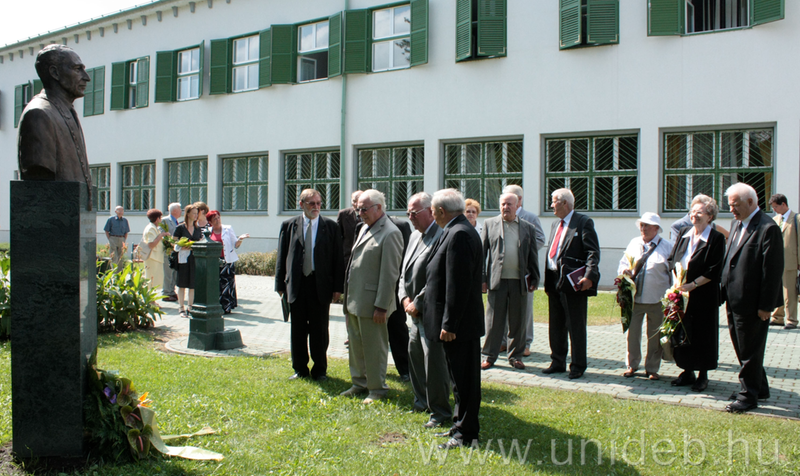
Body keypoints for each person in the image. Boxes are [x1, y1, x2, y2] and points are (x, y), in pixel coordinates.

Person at [425, 189, 484, 450]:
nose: (432, 215)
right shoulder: (454, 229)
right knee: (459, 380)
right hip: (458, 323)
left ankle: (466, 434)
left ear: (440, 211)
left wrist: (449, 324)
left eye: (433, 211)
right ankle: (459, 426)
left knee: (465, 381)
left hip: (460, 325)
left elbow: (458, 285)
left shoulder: (459, 233)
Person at [721, 183, 784, 413]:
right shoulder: (736, 223)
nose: (731, 210)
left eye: (735, 205)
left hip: (753, 302)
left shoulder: (767, 228)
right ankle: (760, 388)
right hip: (734, 298)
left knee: (750, 351)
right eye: (730, 205)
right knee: (742, 347)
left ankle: (748, 396)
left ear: (750, 202)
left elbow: (772, 271)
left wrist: (766, 305)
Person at [341, 189, 403, 404]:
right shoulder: (364, 227)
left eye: (364, 209)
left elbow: (390, 274)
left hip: (374, 304)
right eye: (358, 209)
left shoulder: (391, 232)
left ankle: (377, 389)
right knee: (356, 345)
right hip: (355, 300)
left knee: (374, 348)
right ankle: (359, 383)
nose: (360, 214)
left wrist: (382, 307)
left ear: (378, 207)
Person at [275, 189, 344, 381]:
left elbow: (338, 258)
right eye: (311, 203)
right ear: (301, 204)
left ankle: (320, 370)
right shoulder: (289, 225)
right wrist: (280, 284)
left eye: (319, 203)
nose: (316, 207)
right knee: (297, 329)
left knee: (319, 330)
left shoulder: (330, 226)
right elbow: (282, 255)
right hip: (297, 285)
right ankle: (300, 369)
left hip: (320, 285)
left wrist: (338, 287)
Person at [398, 192, 452, 428]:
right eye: (408, 213)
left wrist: (417, 303)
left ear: (430, 212)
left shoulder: (441, 236)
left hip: (430, 312)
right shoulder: (413, 236)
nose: (410, 217)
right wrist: (404, 298)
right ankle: (421, 401)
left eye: (414, 213)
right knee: (415, 357)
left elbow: (437, 278)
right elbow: (403, 272)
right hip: (412, 312)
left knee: (434, 364)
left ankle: (440, 411)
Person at [666, 196, 725, 392]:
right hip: (682, 294)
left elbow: (715, 269)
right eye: (692, 211)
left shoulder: (716, 238)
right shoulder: (684, 233)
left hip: (703, 295)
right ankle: (687, 370)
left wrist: (693, 284)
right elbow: (672, 259)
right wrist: (677, 281)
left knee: (703, 334)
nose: (694, 215)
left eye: (700, 212)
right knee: (684, 332)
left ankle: (703, 375)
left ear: (710, 216)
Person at [17, 45, 92, 193]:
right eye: (77, 69)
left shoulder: (67, 111)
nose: (86, 77)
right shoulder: (39, 114)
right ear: (55, 73)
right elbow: (39, 174)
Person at [543, 188, 600, 380]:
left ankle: (577, 365)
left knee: (575, 325)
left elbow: (592, 252)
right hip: (554, 279)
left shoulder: (583, 222)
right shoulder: (555, 224)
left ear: (564, 203)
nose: (551, 205)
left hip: (573, 281)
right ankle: (557, 361)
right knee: (556, 324)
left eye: (554, 201)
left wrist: (590, 276)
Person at [480, 192, 539, 370]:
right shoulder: (490, 224)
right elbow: (481, 254)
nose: (506, 207)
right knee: (493, 321)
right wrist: (482, 278)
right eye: (503, 204)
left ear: (517, 206)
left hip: (519, 282)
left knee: (517, 322)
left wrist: (535, 278)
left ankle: (516, 357)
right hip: (496, 281)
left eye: (509, 204)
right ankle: (489, 356)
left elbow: (532, 256)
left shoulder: (527, 227)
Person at [618, 212, 673, 381]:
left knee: (655, 335)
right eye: (642, 225)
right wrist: (624, 271)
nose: (643, 228)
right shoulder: (634, 243)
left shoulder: (667, 247)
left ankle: (652, 368)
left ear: (656, 228)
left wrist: (672, 298)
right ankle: (632, 365)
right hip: (635, 298)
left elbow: (673, 273)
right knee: (632, 334)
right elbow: (623, 263)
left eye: (647, 225)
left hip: (657, 298)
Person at [502, 185, 545, 357]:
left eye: (510, 200)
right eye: (504, 201)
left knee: (524, 310)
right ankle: (503, 342)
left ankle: (525, 343)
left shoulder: (530, 218)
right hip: (504, 272)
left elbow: (540, 239)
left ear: (519, 200)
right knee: (503, 309)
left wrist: (523, 250)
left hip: (523, 273)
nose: (506, 205)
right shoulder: (500, 217)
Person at [207, 210, 250, 314]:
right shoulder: (207, 231)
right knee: (215, 284)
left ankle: (227, 307)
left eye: (218, 218)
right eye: (214, 219)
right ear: (210, 222)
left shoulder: (228, 228)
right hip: (213, 262)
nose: (217, 220)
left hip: (227, 261)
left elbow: (235, 244)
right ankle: (215, 305)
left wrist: (240, 239)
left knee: (226, 284)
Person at [768, 193, 800, 330]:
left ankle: (791, 319)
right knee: (777, 289)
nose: (774, 210)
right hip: (776, 261)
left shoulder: (797, 219)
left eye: (776, 207)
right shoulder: (775, 219)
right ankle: (777, 317)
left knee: (790, 292)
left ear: (784, 204)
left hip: (791, 261)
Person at [173, 204, 203, 318]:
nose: (196, 216)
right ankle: (181, 307)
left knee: (192, 284)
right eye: (194, 213)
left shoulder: (197, 228)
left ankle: (190, 306)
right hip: (183, 259)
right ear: (188, 214)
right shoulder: (180, 228)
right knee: (182, 283)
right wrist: (182, 246)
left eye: (197, 214)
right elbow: (173, 242)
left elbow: (200, 241)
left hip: (194, 258)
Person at [142, 209, 169, 291]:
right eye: (160, 218)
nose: (161, 220)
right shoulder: (151, 228)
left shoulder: (154, 227)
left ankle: (152, 297)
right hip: (152, 258)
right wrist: (161, 235)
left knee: (155, 281)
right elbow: (151, 244)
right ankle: (150, 297)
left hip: (156, 258)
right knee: (151, 281)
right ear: (157, 219)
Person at [161, 202, 182, 302]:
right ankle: (166, 292)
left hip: (175, 250)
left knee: (174, 272)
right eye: (180, 209)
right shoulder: (165, 220)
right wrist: (169, 242)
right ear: (174, 211)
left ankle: (172, 291)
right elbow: (162, 233)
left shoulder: (177, 222)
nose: (181, 211)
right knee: (168, 272)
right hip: (168, 250)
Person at [338, 190, 363, 267]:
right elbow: (338, 236)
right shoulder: (343, 214)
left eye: (359, 201)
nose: (356, 204)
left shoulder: (370, 215)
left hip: (364, 256)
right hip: (347, 257)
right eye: (354, 201)